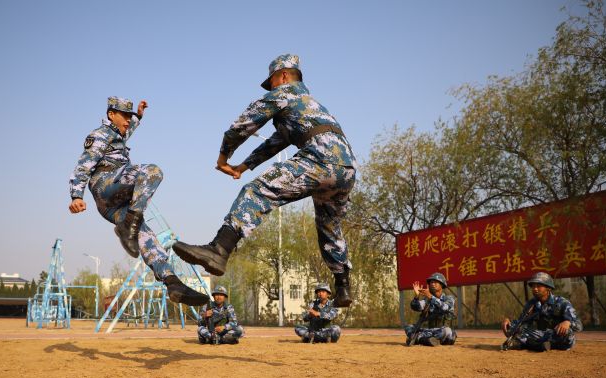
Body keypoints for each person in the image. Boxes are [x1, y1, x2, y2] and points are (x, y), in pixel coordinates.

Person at [173, 54, 358, 306]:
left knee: (257, 191)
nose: (270, 87)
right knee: (329, 225)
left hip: (320, 159)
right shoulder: (309, 104)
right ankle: (343, 285)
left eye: (270, 81)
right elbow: (275, 142)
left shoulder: (283, 93)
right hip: (346, 168)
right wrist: (244, 166)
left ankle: (219, 249)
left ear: (282, 75)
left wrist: (223, 158)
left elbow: (243, 125)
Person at [68, 96, 208, 306]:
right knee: (152, 172)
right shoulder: (99, 135)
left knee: (147, 238)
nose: (127, 121)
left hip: (114, 205)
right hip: (105, 185)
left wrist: (139, 116)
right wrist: (76, 195)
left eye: (129, 117)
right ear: (111, 115)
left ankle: (172, 282)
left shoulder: (118, 133)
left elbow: (127, 129)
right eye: (124, 116)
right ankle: (129, 227)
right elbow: (83, 166)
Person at [502, 272, 582, 351]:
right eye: (533, 286)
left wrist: (568, 322)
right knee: (514, 327)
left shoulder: (562, 303)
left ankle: (531, 345)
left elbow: (579, 326)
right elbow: (521, 322)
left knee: (568, 333)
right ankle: (539, 346)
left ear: (548, 288)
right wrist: (508, 322)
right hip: (539, 335)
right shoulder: (531, 304)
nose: (535, 289)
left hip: (555, 336)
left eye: (539, 286)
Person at [404, 272, 457, 347]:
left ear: (442, 284)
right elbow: (416, 307)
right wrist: (416, 297)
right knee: (409, 327)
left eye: (435, 282)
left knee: (448, 332)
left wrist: (431, 297)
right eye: (431, 282)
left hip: (442, 331)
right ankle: (427, 340)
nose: (432, 284)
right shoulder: (427, 300)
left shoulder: (449, 298)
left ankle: (419, 339)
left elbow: (445, 307)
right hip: (430, 331)